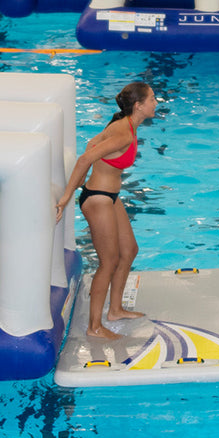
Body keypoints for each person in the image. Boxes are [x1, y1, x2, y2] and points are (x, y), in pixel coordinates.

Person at [56, 82, 159, 338]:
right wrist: (69, 194)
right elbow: (85, 158)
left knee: (130, 250)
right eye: (153, 99)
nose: (156, 103)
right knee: (108, 261)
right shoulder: (124, 132)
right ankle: (94, 327)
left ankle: (114, 310)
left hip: (110, 196)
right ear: (139, 105)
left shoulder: (125, 125)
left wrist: (86, 178)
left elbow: (93, 142)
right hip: (99, 198)